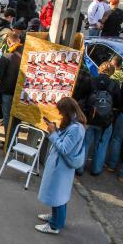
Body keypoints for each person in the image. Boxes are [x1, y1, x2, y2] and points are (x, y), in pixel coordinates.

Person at [35, 97, 86, 234]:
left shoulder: (76, 128)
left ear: (68, 111)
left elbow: (64, 149)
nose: (61, 115)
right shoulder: (74, 124)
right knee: (57, 194)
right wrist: (56, 131)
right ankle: (56, 219)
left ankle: (54, 226)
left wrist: (53, 134)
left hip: (61, 167)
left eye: (62, 112)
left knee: (58, 195)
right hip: (60, 166)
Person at [77, 61, 120, 176]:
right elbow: (117, 103)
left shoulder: (91, 80)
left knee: (85, 143)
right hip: (105, 121)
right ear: (112, 71)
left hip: (90, 117)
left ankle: (80, 168)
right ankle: (96, 170)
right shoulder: (114, 85)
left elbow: (80, 96)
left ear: (99, 69)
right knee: (101, 145)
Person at [0, 32, 24, 141]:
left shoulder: (6, 56)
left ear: (8, 42)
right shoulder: (26, 54)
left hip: (7, 91)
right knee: (17, 118)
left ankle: (8, 142)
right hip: (21, 92)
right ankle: (14, 139)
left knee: (7, 117)